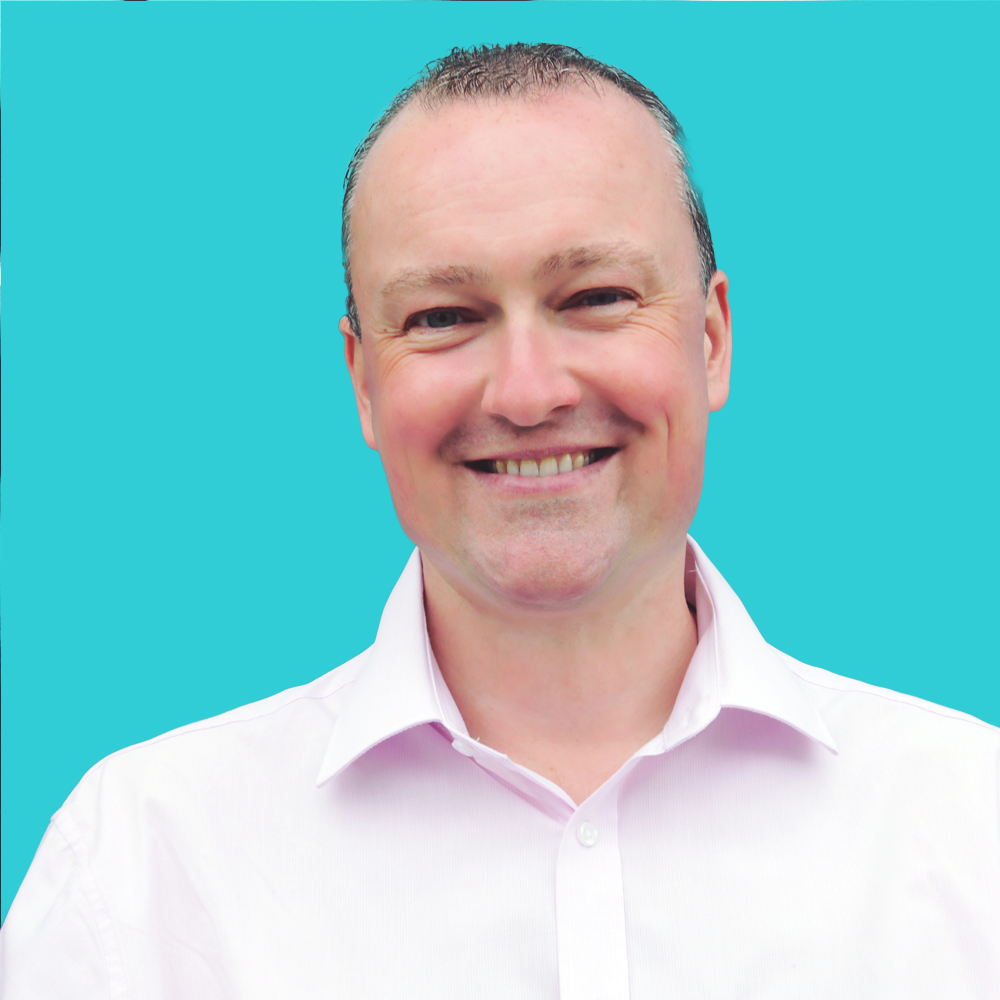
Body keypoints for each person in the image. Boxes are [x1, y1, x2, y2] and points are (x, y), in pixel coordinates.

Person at [2, 42, 997, 999]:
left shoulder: (968, 827)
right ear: (361, 378)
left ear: (710, 339)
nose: (526, 392)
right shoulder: (144, 869)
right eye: (442, 316)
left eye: (597, 296)